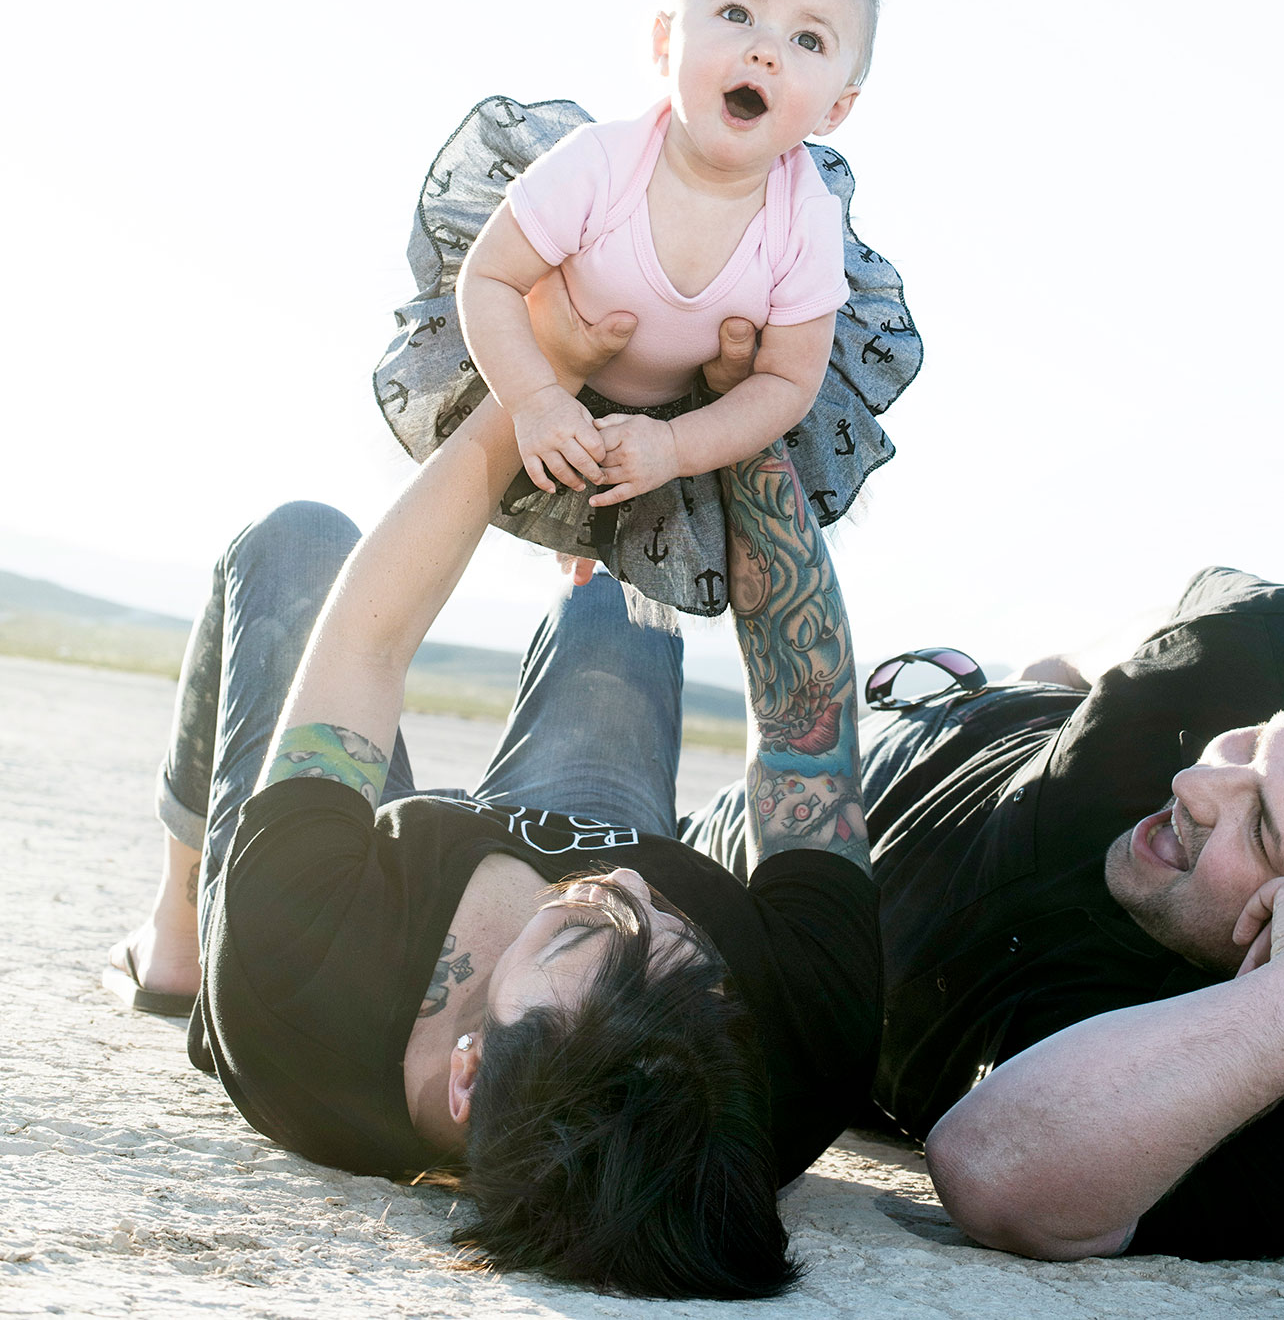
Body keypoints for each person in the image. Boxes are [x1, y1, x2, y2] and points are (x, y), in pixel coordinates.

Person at [101, 297, 881, 1299]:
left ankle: (176, 929)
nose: (626, 881)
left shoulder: (295, 991)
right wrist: (749, 422)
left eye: (583, 932)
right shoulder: (800, 1045)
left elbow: (365, 649)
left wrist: (529, 385)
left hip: (354, 885)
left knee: (297, 546)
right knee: (623, 599)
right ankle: (592, 578)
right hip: (561, 808)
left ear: (468, 1073)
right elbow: (800, 725)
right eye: (685, 936)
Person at [684, 565, 1284, 1262]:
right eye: (1260, 740)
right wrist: (1041, 678)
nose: (1195, 783)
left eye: (1262, 828)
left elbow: (992, 1169)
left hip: (764, 868)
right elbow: (1169, 630)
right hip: (929, 726)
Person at [373, 0, 921, 620]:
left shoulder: (807, 219)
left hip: (685, 409)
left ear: (833, 113)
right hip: (541, 364)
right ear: (665, 44)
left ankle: (626, 599)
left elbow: (788, 381)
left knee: (711, 482)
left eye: (808, 41)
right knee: (482, 474)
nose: (765, 50)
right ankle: (409, 597)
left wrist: (675, 446)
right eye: (736, 13)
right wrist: (536, 399)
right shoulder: (600, 164)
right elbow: (493, 276)